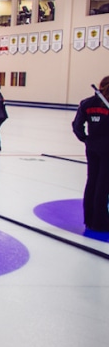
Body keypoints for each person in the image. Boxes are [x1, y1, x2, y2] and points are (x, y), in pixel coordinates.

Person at [71, 76, 109, 232]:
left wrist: (86, 139)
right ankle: (100, 222)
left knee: (92, 181)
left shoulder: (86, 103)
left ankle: (90, 218)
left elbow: (77, 126)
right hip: (106, 149)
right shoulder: (96, 104)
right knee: (103, 184)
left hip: (92, 148)